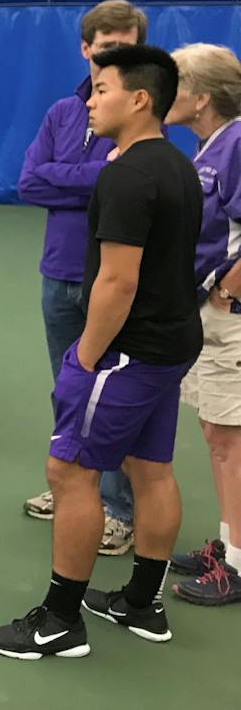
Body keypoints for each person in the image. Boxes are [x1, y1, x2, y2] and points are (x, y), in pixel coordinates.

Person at [0, 45, 201, 660]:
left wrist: (85, 357)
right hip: (171, 345)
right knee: (150, 467)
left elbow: (117, 281)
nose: (90, 100)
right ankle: (140, 604)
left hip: (127, 353)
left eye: (101, 89)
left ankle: (58, 622)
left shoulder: (127, 173)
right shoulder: (176, 165)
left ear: (139, 99)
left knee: (71, 471)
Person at [17, 0, 149, 555]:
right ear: (86, 48)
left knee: (111, 399)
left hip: (113, 282)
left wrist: (66, 179)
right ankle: (75, 489)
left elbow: (137, 185)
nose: (112, 53)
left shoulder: (144, 113)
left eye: (125, 45)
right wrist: (98, 177)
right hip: (57, 275)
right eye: (105, 44)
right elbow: (29, 183)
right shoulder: (61, 113)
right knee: (68, 390)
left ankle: (119, 510)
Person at [164, 43, 241, 607]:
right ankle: (228, 542)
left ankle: (237, 565)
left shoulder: (237, 143)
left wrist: (225, 295)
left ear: (203, 96)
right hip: (210, 313)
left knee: (230, 441)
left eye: (175, 84)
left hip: (230, 316)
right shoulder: (209, 146)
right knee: (218, 435)